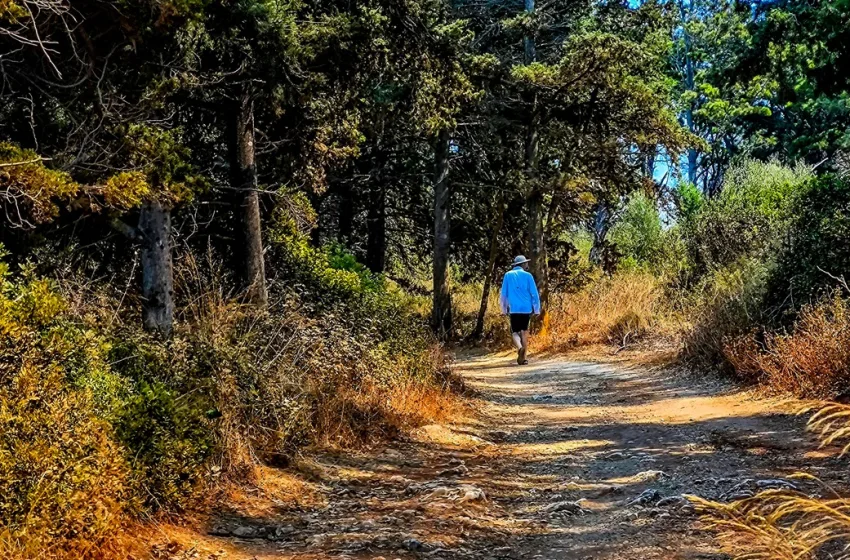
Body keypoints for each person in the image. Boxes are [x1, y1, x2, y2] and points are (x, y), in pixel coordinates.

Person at [499, 255, 540, 365]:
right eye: (526, 263)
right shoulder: (528, 276)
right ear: (522, 264)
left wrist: (503, 309)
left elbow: (504, 294)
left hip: (514, 308)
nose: (527, 264)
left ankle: (520, 347)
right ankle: (524, 358)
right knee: (524, 331)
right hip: (526, 308)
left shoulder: (508, 275)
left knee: (514, 332)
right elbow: (534, 294)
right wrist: (536, 309)